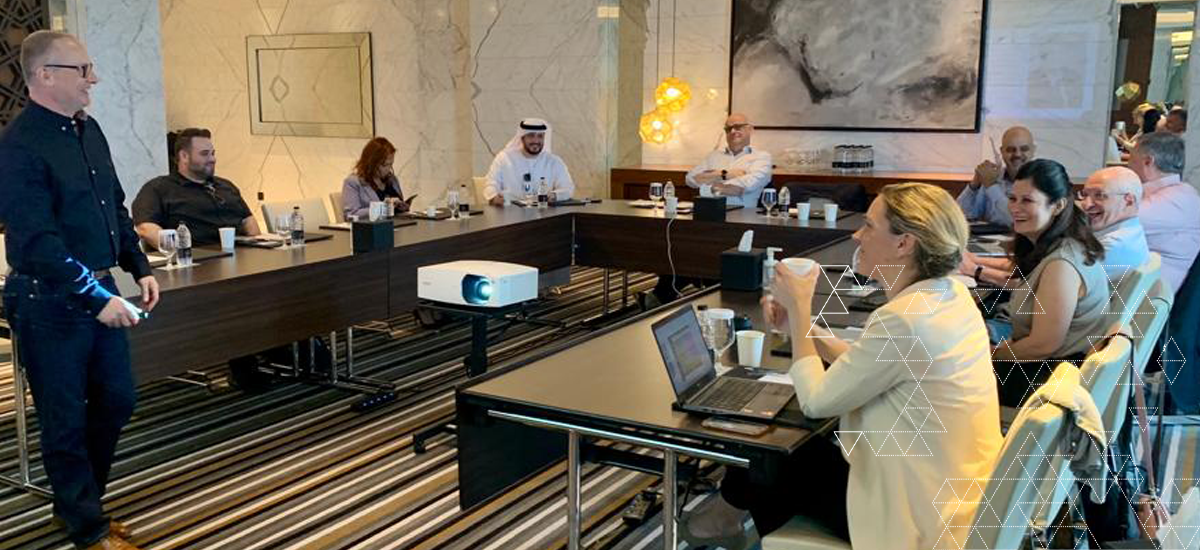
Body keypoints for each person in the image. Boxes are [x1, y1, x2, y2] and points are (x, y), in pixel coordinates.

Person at [683, 183, 1001, 548]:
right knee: (793, 452)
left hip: (915, 512)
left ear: (904, 243)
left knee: (771, 453)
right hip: (958, 491)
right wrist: (803, 327)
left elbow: (816, 401)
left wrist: (800, 308)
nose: (856, 235)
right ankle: (726, 518)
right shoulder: (950, 295)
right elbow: (867, 362)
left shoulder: (905, 320)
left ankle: (727, 522)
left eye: (869, 226)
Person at [0, 30, 160, 550]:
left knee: (117, 398)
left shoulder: (89, 131)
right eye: (83, 70)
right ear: (45, 76)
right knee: (63, 416)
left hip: (100, 287)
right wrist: (96, 296)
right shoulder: (19, 145)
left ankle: (78, 503)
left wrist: (138, 265)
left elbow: (114, 205)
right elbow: (37, 242)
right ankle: (88, 527)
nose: (95, 79)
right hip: (47, 300)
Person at [964, 159, 1109, 407]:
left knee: (939, 375)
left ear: (1057, 206)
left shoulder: (1061, 265)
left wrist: (991, 353)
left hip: (1049, 381)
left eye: (1027, 201)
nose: (1015, 208)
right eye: (1012, 199)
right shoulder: (1060, 246)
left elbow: (1044, 345)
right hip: (1052, 370)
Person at [132, 128, 259, 248]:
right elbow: (146, 228)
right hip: (198, 257)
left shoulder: (226, 186)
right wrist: (181, 253)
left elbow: (249, 223)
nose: (213, 159)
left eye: (213, 153)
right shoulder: (158, 188)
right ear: (184, 156)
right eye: (205, 154)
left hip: (241, 253)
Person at [1127, 132, 1200, 293]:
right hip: (1137, 286)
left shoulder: (1179, 198)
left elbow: (1116, 223)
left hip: (1149, 297)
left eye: (1131, 159)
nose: (1128, 165)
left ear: (1148, 161)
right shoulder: (1173, 193)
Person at [684, 113, 773, 208]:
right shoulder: (714, 155)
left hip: (742, 214)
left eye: (738, 127)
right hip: (710, 211)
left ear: (750, 130)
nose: (733, 131)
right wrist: (725, 174)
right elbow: (690, 179)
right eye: (728, 129)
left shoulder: (762, 157)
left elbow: (743, 187)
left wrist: (709, 186)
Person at [1078, 166, 1150, 283]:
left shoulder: (1113, 246)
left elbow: (1059, 285)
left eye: (1099, 195)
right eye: (1085, 195)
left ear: (1129, 201)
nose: (1086, 205)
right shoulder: (1132, 232)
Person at [956, 126, 1036, 227]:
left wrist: (991, 187)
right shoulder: (993, 177)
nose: (1017, 154)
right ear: (1002, 152)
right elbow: (960, 214)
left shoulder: (1042, 181)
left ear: (1033, 150)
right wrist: (975, 183)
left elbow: (1017, 220)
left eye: (1024, 149)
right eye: (1010, 150)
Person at [482, 118, 574, 205]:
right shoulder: (504, 158)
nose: (536, 141)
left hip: (544, 212)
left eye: (540, 136)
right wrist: (494, 197)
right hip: (511, 211)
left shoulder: (554, 162)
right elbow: (490, 184)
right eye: (531, 136)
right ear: (522, 138)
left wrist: (554, 196)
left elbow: (567, 188)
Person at [342, 137, 410, 220]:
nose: (388, 169)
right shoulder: (353, 182)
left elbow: (398, 210)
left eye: (391, 164)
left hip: (398, 225)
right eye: (385, 165)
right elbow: (350, 215)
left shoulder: (392, 179)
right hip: (372, 227)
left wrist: (402, 206)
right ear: (371, 163)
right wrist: (384, 207)